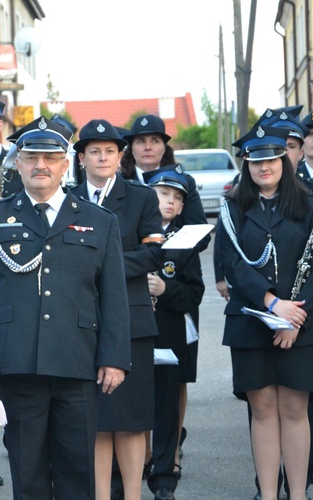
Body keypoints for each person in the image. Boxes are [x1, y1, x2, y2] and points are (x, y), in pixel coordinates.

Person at [0, 116, 131, 499]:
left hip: (78, 361)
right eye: (31, 157)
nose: (41, 165)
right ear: (18, 162)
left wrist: (115, 357)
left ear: (65, 164)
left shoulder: (98, 221)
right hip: (17, 361)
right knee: (28, 471)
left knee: (77, 472)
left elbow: (113, 295)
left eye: (51, 158)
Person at [216, 124, 313, 500]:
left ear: (284, 161)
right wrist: (274, 305)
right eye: (256, 162)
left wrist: (295, 317)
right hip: (251, 322)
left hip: (302, 325)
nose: (264, 167)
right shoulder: (232, 208)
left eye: (272, 159)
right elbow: (233, 266)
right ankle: (269, 494)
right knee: (262, 409)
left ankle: (299, 494)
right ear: (247, 165)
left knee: (294, 408)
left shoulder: (308, 205)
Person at [70, 119, 164, 500]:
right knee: (96, 422)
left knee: (129, 420)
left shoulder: (141, 198)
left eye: (109, 150)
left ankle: (133, 495)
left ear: (120, 156)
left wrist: (105, 265)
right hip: (82, 322)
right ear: (81, 158)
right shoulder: (69, 198)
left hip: (132, 319)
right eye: (94, 151)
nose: (102, 157)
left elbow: (154, 251)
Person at [120, 113, 208, 472]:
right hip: (134, 291)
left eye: (155, 140)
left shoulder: (182, 180)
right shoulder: (121, 179)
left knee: (177, 374)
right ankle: (139, 452)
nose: (147, 146)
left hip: (175, 286)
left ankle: (170, 447)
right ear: (131, 147)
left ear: (164, 146)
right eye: (141, 141)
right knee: (137, 374)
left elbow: (199, 232)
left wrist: (169, 253)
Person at [142, 165, 205, 500]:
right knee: (134, 404)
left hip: (168, 334)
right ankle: (130, 468)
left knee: (167, 406)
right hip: (135, 332)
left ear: (182, 208)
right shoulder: (130, 230)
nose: (169, 202)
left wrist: (166, 288)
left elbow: (194, 293)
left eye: (176, 198)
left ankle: (164, 477)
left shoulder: (185, 242)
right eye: (163, 193)